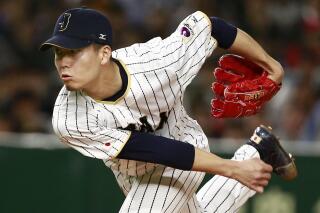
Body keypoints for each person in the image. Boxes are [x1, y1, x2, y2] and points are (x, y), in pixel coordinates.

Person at [40, 7, 297, 212]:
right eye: (59, 53)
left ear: (104, 53)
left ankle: (251, 158)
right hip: (134, 174)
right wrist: (233, 168)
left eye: (73, 52)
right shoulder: (69, 118)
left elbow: (210, 27)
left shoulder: (159, 62)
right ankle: (257, 153)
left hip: (183, 144)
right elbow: (147, 149)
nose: (64, 62)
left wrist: (273, 66)